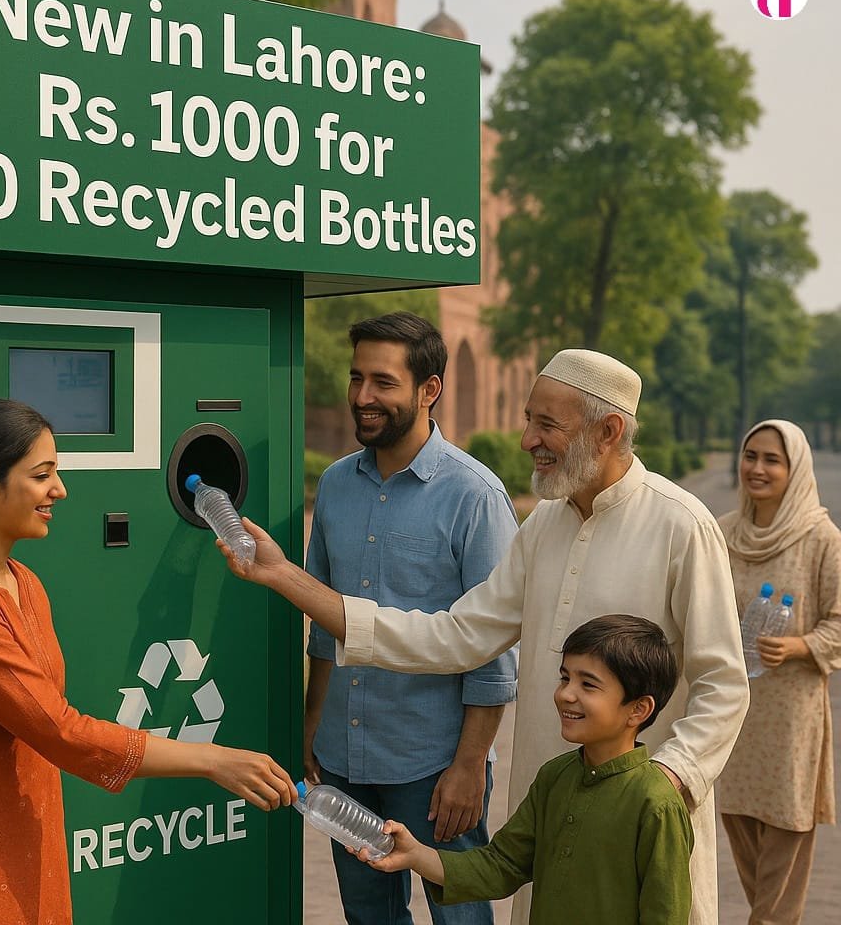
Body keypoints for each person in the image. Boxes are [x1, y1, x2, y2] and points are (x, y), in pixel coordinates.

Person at [218, 348, 750, 925]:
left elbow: (724, 685)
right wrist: (286, 577)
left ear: (609, 430)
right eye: (528, 420)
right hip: (549, 799)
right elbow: (457, 636)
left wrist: (666, 779)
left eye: (546, 424)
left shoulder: (681, 525)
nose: (526, 440)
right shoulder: (544, 525)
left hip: (645, 821)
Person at [0, 398, 295, 925]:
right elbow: (58, 728)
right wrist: (213, 760)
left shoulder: (23, 584)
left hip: (25, 830)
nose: (60, 490)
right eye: (42, 475)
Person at [305, 312, 519, 925]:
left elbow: (494, 651)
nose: (363, 398)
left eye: (383, 382)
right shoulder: (338, 485)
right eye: (356, 379)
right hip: (345, 757)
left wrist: (470, 764)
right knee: (369, 916)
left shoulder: (476, 498)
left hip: (433, 762)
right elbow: (326, 618)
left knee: (461, 915)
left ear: (430, 390)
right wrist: (313, 723)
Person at [355, 616, 694, 925]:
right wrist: (416, 855)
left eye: (588, 685)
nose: (566, 694)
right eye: (565, 678)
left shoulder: (656, 802)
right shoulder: (555, 777)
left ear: (638, 709)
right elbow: (501, 865)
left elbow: (666, 915)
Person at [717, 420, 841, 924]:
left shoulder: (821, 539)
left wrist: (798, 645)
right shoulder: (722, 534)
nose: (758, 468)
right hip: (734, 721)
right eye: (751, 456)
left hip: (790, 723)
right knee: (749, 857)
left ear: (796, 469)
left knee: (780, 870)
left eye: (772, 459)